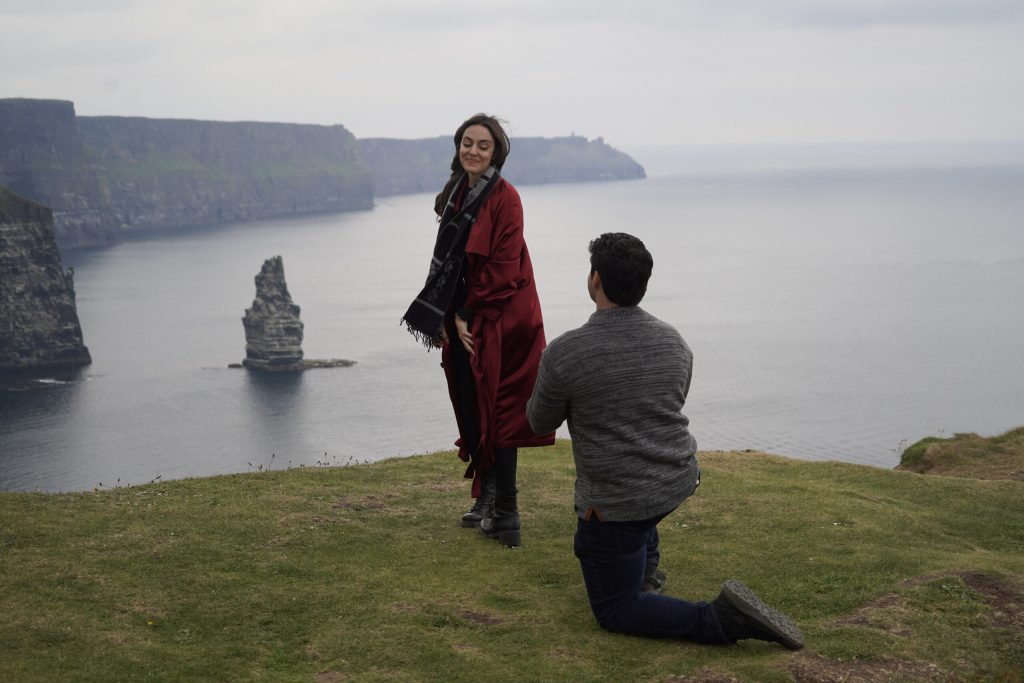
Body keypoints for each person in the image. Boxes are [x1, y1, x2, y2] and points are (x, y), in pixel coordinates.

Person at [526, 232, 804, 648]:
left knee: (616, 609)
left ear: (595, 279)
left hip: (616, 503)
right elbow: (667, 404)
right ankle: (645, 568)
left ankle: (721, 619)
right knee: (641, 512)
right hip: (676, 478)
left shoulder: (566, 354)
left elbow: (538, 422)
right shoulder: (674, 342)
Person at [401, 114, 555, 547]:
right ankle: (487, 497)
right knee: (470, 403)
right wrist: (450, 315)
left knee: (499, 410)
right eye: (466, 143)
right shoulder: (457, 192)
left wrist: (465, 312)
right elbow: (451, 266)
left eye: (482, 146)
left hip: (502, 317)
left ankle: (507, 511)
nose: (472, 150)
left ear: (496, 153)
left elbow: (505, 266)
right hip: (466, 314)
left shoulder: (506, 198)